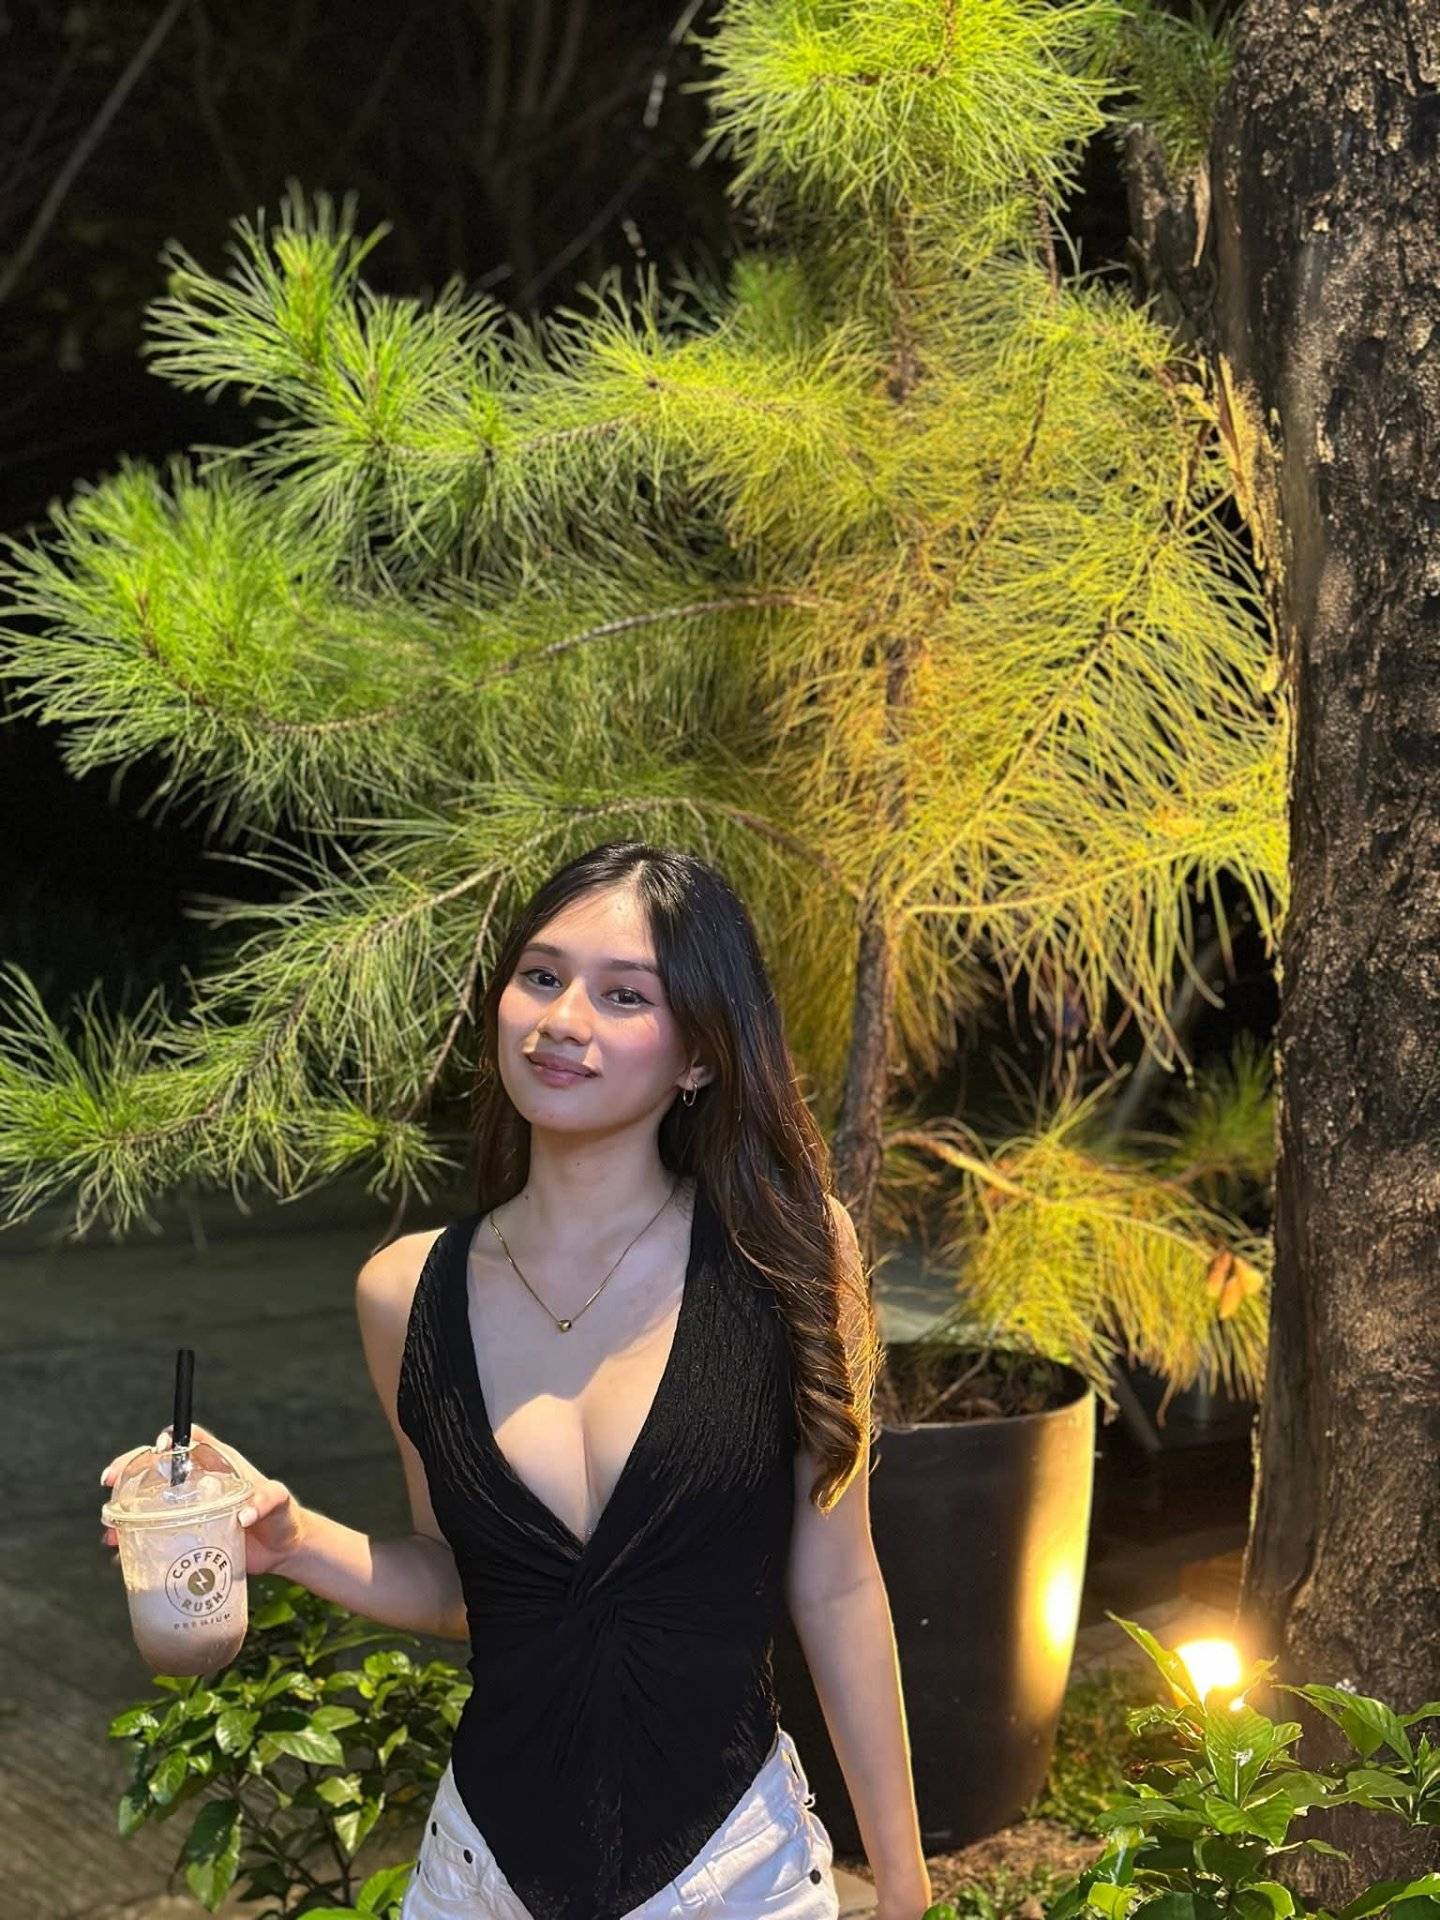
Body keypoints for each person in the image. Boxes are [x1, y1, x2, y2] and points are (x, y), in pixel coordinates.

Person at [100, 841, 932, 1920]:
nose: (562, 1019)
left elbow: (838, 1582)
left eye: (624, 994)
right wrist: (290, 1538)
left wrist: (904, 1884)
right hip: (478, 1880)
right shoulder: (405, 1291)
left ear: (699, 1055)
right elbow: (463, 1588)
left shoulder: (792, 1256)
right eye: (541, 976)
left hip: (738, 1874)